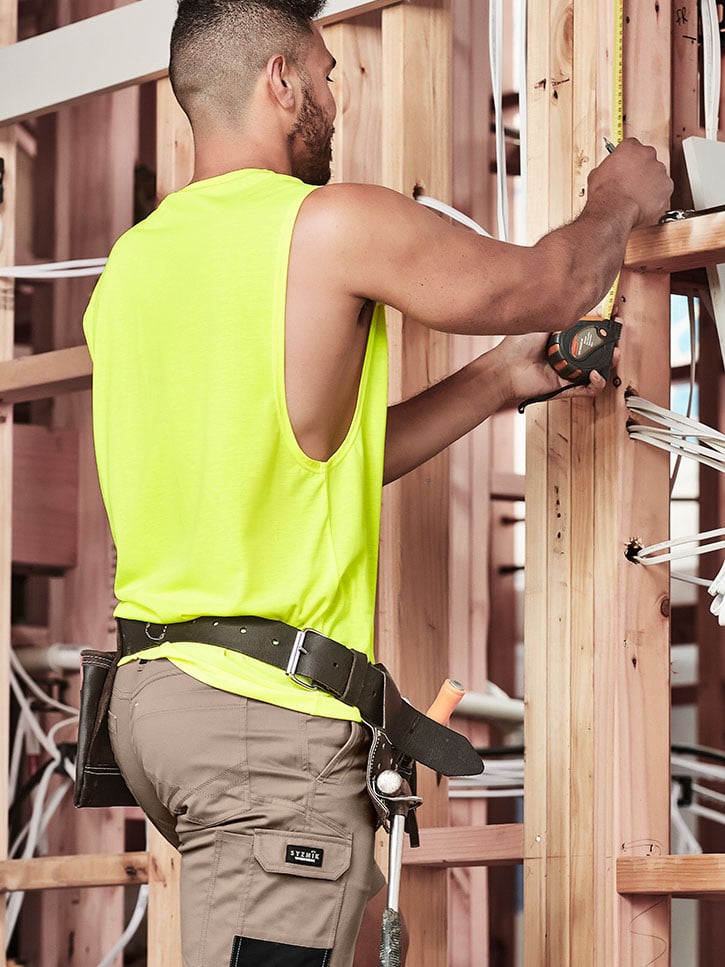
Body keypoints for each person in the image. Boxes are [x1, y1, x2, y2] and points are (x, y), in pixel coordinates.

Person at [81, 2, 673, 965]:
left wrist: (494, 383)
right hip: (259, 721)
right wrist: (617, 196)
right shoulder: (325, 224)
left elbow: (310, 460)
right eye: (323, 76)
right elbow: (553, 284)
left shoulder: (132, 268)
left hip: (158, 705)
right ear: (278, 80)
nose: (332, 99)